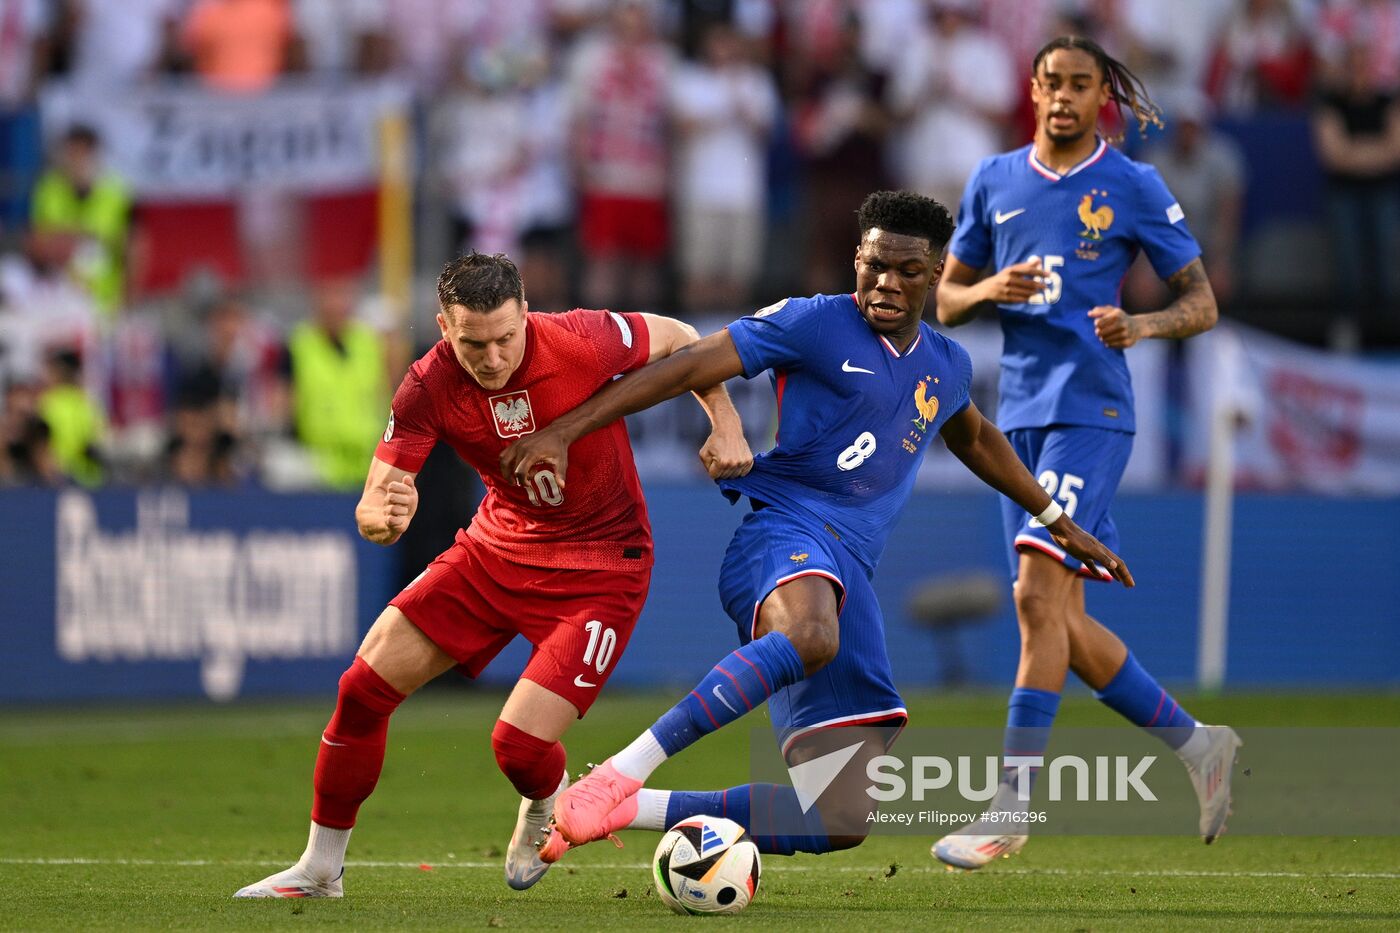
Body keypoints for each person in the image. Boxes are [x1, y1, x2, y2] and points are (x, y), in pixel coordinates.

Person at [499, 191, 1132, 864]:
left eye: (908, 270)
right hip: (781, 536)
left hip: (848, 573)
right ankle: (622, 770)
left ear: (935, 272)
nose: (887, 282)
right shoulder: (814, 323)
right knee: (808, 633)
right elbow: (688, 364)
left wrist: (1056, 518)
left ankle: (625, 808)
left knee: (840, 814)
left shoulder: (946, 364)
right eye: (874, 264)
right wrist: (565, 430)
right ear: (856, 259)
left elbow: (976, 438)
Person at [233, 252, 752, 898]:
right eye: (473, 342)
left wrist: (726, 422)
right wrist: (381, 517)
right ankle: (319, 868)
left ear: (527, 314)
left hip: (602, 565)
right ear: (444, 327)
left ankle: (543, 800)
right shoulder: (427, 384)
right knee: (360, 689)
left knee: (517, 747)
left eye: (507, 337)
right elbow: (378, 495)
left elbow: (681, 338)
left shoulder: (580, 339)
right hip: (495, 550)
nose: (494, 356)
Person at [931, 36, 1238, 870]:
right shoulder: (993, 180)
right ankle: (1201, 746)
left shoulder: (1132, 185)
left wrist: (1141, 324)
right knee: (1059, 616)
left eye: (1080, 85)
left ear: (1104, 95)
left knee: (1036, 596)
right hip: (1015, 424)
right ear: (1031, 90)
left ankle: (1011, 805)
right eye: (1051, 83)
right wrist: (990, 288)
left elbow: (1201, 302)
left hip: (1092, 412)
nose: (1063, 97)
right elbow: (948, 300)